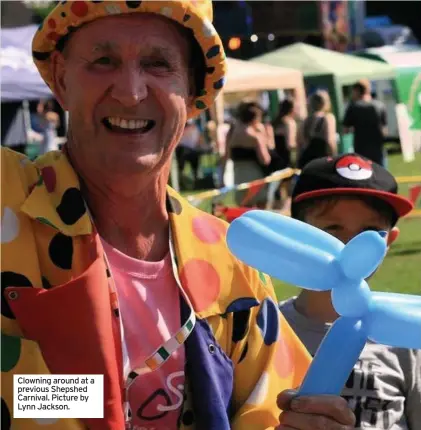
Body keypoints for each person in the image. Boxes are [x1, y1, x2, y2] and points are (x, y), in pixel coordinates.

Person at [1, 2, 354, 429]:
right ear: (60, 77)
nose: (130, 92)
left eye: (158, 64)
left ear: (193, 91)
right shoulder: (7, 201)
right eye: (103, 61)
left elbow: (276, 410)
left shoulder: (233, 264)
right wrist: (81, 393)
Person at [279, 153, 420, 430]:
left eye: (370, 233)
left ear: (389, 241)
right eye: (332, 229)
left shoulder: (407, 339)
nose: (350, 247)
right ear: (297, 234)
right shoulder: (263, 332)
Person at [224, 101, 274, 207]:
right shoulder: (255, 136)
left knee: (244, 208)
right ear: (255, 118)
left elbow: (226, 155)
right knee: (260, 209)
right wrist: (265, 138)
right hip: (255, 175)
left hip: (238, 175)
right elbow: (265, 160)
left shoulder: (232, 131)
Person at [343, 79, 388, 166]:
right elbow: (385, 131)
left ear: (356, 91)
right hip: (378, 148)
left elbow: (345, 130)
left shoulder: (353, 107)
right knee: (381, 174)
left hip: (361, 149)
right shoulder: (380, 105)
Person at [298, 90, 337, 169]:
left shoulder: (306, 120)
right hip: (322, 158)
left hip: (307, 159)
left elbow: (301, 142)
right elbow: (330, 140)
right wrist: (334, 158)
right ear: (326, 103)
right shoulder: (328, 117)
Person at [175, 119, 203, 189]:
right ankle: (181, 183)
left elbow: (199, 140)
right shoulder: (181, 128)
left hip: (192, 151)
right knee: (181, 168)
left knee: (195, 169)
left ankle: (196, 183)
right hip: (182, 150)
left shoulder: (196, 128)